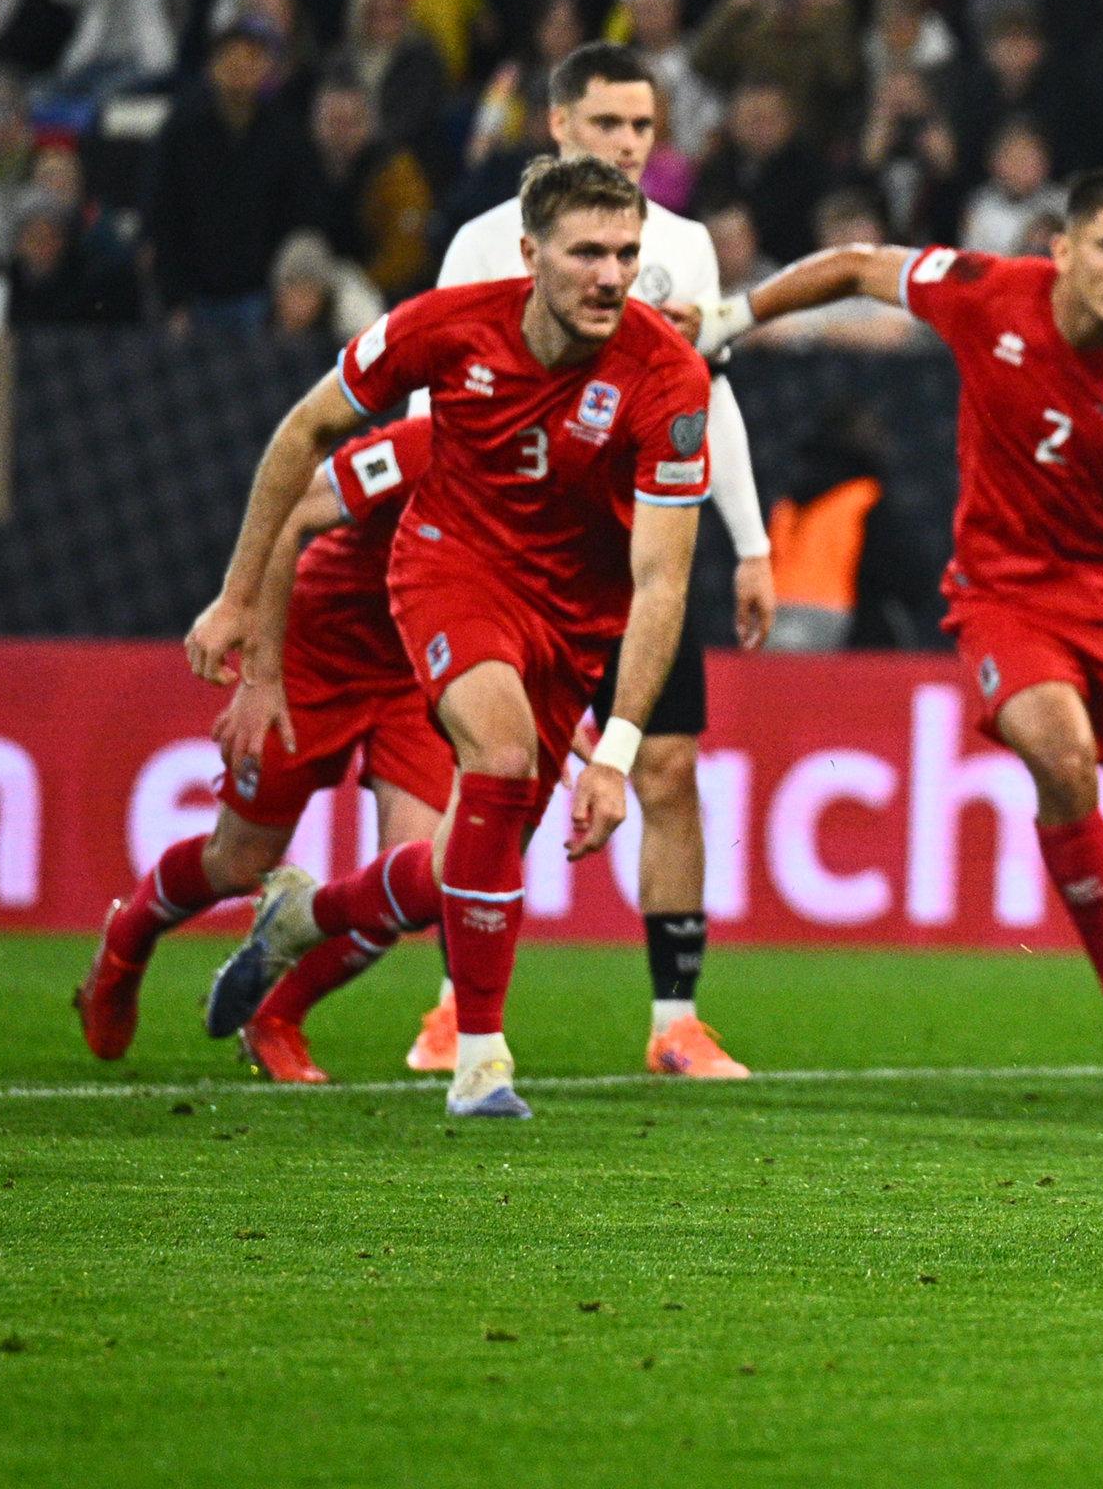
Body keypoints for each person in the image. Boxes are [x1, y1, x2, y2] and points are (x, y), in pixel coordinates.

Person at [692, 171, 1103, 1085]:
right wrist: (730, 318)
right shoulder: (986, 292)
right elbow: (853, 265)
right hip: (1005, 596)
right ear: (1064, 251)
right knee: (1060, 750)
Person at [188, 155, 715, 1119]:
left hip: (575, 624)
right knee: (501, 758)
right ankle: (480, 1062)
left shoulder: (670, 378)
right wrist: (236, 598)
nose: (611, 276)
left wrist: (617, 754)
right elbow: (303, 432)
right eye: (587, 253)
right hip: (452, 571)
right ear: (530, 254)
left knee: (461, 867)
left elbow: (661, 581)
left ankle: (303, 917)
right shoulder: (442, 328)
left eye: (626, 253)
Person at [424, 43, 772, 1079]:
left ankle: (676, 1021)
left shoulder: (686, 246)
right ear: (559, 125)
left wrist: (751, 541)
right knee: (497, 775)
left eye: (643, 127)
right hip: (510, 558)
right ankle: (452, 1008)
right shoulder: (485, 243)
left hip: (640, 552)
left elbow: (706, 397)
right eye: (609, 123)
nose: (627, 143)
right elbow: (433, 397)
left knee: (668, 769)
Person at [73, 419, 454, 1081]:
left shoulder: (545, 473)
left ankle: (276, 1017)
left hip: (414, 676)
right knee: (238, 864)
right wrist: (261, 676)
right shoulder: (418, 447)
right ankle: (127, 940)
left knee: (413, 885)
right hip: (316, 655)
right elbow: (290, 513)